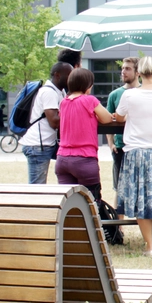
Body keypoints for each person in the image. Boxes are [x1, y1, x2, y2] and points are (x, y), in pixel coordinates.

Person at [114, 56, 152, 256]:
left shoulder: (130, 96)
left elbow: (120, 117)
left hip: (137, 152)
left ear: (139, 73)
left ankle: (148, 246)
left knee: (141, 198)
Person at [55, 68, 114, 206]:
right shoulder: (89, 100)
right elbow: (106, 119)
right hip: (84, 159)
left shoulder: (63, 103)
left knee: (68, 205)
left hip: (62, 158)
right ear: (88, 86)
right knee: (92, 203)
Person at [20, 62, 71, 184]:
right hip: (38, 145)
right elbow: (54, 121)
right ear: (57, 75)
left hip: (46, 143)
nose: (71, 78)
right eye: (69, 75)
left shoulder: (60, 92)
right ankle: (36, 203)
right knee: (38, 187)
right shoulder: (49, 92)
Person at [107, 57, 139, 208]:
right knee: (119, 188)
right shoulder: (115, 95)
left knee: (141, 188)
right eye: (123, 68)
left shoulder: (144, 93)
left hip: (139, 147)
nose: (123, 71)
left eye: (128, 68)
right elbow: (108, 119)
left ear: (137, 72)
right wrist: (110, 143)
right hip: (120, 147)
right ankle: (118, 228)